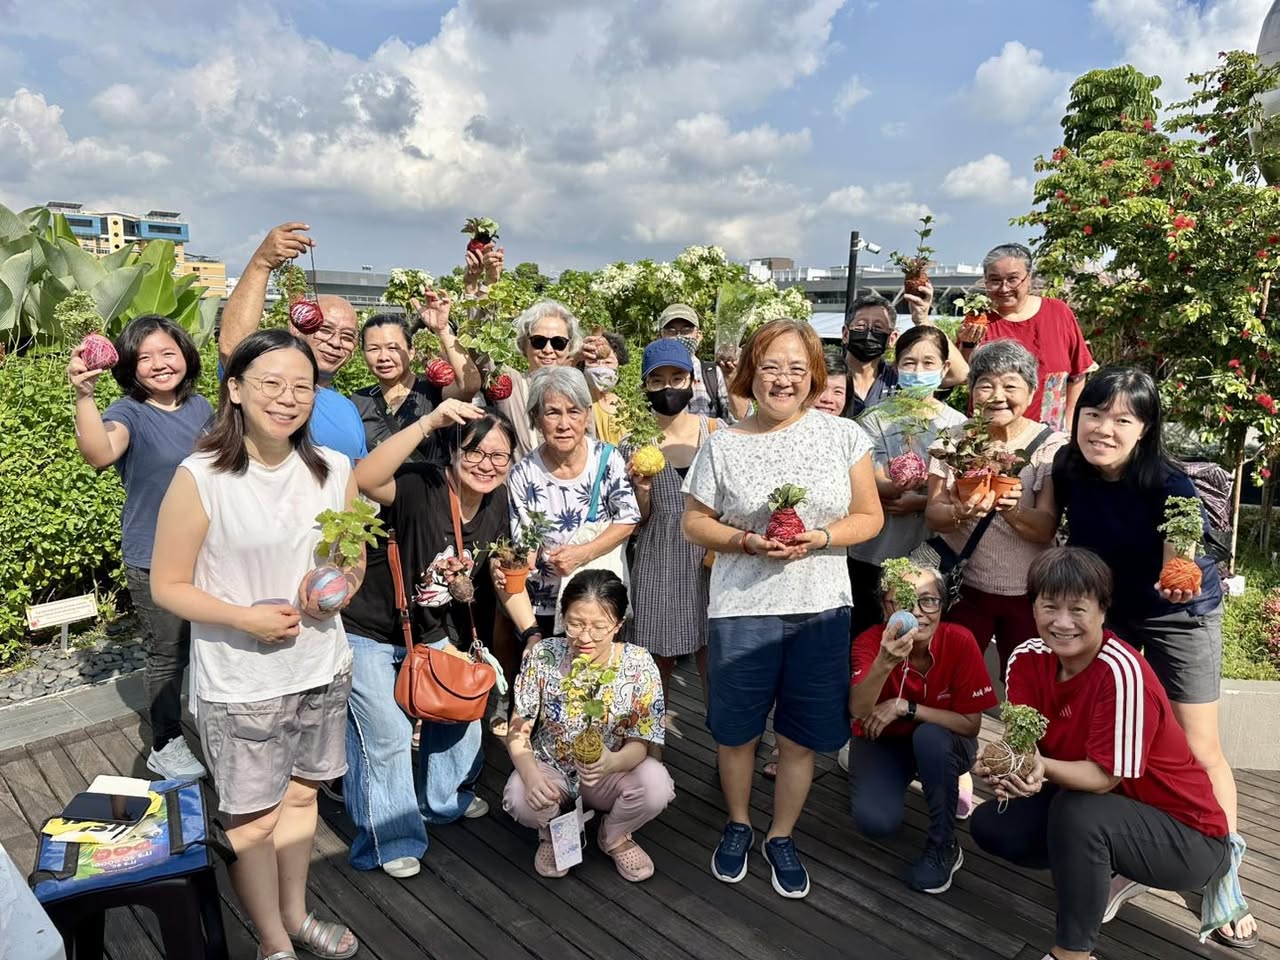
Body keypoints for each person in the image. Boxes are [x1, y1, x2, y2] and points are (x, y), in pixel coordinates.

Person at [1017, 367, 1255, 947]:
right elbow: (1049, 527)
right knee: (1121, 741)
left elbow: (1181, 552)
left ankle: (1227, 881)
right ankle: (1126, 857)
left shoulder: (1169, 483)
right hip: (1107, 612)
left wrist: (1179, 575)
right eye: (1094, 414)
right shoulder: (1070, 466)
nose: (1103, 428)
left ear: (1145, 429)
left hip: (1178, 611)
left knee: (1197, 745)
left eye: (1122, 419)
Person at [150, 329, 362, 960]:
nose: (287, 397)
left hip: (322, 665)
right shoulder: (203, 476)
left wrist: (342, 584)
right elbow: (168, 585)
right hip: (243, 683)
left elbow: (352, 556)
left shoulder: (334, 469)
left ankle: (294, 915)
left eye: (302, 386)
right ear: (236, 389)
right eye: (271, 383)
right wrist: (246, 619)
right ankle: (274, 943)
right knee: (252, 823)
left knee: (302, 798)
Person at [682, 318, 883, 899]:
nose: (783, 379)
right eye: (771, 366)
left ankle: (782, 834)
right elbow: (693, 521)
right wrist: (744, 540)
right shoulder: (722, 443)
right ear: (751, 370)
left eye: (798, 368)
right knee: (737, 732)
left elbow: (869, 517)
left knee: (799, 737)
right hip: (742, 608)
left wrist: (819, 538)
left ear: (815, 375)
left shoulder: (842, 436)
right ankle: (740, 822)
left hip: (820, 608)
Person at [971, 547, 1230, 960]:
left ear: (1103, 611)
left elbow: (1104, 778)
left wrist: (1039, 766)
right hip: (1111, 806)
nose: (1062, 622)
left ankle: (1072, 952)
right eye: (1049, 606)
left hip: (1187, 834)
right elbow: (1025, 745)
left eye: (1078, 609)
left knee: (1078, 813)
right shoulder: (1025, 659)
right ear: (1033, 606)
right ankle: (1102, 863)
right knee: (993, 825)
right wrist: (1005, 766)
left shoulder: (1121, 671)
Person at [343, 401, 535, 879]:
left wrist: (530, 632)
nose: (486, 465)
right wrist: (428, 422)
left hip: (434, 632)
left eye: (499, 456)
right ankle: (390, 838)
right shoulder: (420, 484)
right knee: (385, 732)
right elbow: (366, 477)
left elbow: (506, 578)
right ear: (453, 451)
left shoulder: (498, 505)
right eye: (475, 452)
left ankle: (442, 801)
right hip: (371, 626)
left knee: (464, 703)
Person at [68, 315, 213, 781]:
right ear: (130, 366)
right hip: (156, 554)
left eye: (167, 353)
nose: (158, 365)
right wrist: (83, 396)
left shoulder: (201, 407)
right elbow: (99, 452)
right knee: (168, 652)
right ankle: (166, 742)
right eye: (144, 357)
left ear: (185, 355)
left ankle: (212, 727)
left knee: (211, 646)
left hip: (209, 549)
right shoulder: (128, 411)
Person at [503, 570, 674, 881]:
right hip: (552, 767)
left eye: (599, 627)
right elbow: (519, 727)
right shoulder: (544, 655)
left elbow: (642, 739)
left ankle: (614, 835)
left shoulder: (639, 663)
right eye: (575, 624)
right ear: (562, 615)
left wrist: (613, 761)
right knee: (519, 795)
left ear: (619, 625)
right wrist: (529, 774)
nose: (584, 637)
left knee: (656, 785)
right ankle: (552, 828)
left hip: (609, 774)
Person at [848, 561, 995, 893]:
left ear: (942, 605)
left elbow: (971, 725)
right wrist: (885, 662)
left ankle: (943, 845)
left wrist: (906, 708)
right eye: (901, 600)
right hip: (884, 741)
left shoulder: (959, 640)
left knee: (930, 739)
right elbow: (858, 711)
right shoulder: (870, 643)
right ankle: (891, 774)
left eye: (929, 600)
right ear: (885, 607)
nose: (917, 611)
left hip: (941, 740)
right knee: (875, 821)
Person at [923, 339, 1066, 677]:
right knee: (952, 676)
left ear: (1031, 392)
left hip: (1029, 593)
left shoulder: (1051, 447)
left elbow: (1045, 526)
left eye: (1010, 385)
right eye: (986, 385)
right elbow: (933, 513)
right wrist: (963, 511)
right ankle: (953, 731)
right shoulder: (953, 440)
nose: (998, 395)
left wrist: (1011, 509)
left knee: (1028, 682)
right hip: (966, 587)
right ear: (972, 392)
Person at [849, 326, 967, 636]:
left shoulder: (958, 426)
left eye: (928, 363)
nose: (918, 371)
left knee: (922, 636)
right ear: (896, 365)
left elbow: (960, 492)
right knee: (870, 634)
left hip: (930, 554)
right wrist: (899, 483)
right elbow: (873, 479)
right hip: (874, 553)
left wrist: (920, 500)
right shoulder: (874, 418)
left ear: (944, 369)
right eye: (909, 363)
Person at [505, 367, 641, 631]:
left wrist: (581, 553)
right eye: (553, 412)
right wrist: (516, 562)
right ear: (536, 417)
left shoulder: (607, 458)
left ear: (587, 414)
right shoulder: (523, 473)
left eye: (574, 411)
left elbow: (628, 518)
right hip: (544, 603)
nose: (564, 424)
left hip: (598, 601)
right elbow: (526, 543)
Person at [219, 222, 367, 463]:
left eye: (348, 336)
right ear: (297, 327)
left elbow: (361, 479)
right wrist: (261, 264)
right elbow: (233, 347)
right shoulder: (267, 387)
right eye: (325, 329)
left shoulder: (347, 408)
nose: (335, 342)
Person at [624, 340, 717, 719]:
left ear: (692, 380)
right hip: (657, 557)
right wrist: (642, 491)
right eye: (657, 380)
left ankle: (726, 749)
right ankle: (651, 748)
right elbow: (636, 519)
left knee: (714, 658)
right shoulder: (633, 443)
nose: (668, 388)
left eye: (677, 378)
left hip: (710, 558)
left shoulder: (716, 433)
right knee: (654, 661)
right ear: (645, 386)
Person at [959, 243, 1094, 432]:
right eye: (995, 280)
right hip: (991, 435)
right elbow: (966, 376)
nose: (1004, 288)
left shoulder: (1058, 312)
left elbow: (1078, 373)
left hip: (1050, 433)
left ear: (1028, 278)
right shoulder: (978, 319)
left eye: (1013, 279)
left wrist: (1070, 423)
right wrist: (967, 344)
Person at [351, 303, 481, 461]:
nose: (383, 357)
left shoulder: (434, 390)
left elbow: (470, 385)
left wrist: (443, 330)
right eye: (373, 349)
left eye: (393, 348)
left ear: (411, 352)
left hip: (432, 484)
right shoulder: (359, 401)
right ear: (363, 354)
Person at [841, 287, 968, 419]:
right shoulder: (827, 376)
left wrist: (923, 320)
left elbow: (961, 374)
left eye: (878, 328)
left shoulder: (902, 378)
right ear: (845, 333)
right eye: (861, 326)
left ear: (892, 338)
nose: (868, 334)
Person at [489, 300, 585, 459]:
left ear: (570, 347)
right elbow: (482, 353)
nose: (548, 350)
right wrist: (481, 288)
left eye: (558, 343)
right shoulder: (511, 383)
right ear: (524, 344)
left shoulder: (579, 389)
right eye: (538, 341)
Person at [656, 303, 748, 421]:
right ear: (659, 337)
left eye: (686, 330)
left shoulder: (715, 373)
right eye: (671, 331)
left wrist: (730, 377)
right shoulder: (653, 377)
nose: (679, 336)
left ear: (698, 336)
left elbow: (741, 418)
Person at [585, 332, 629, 445]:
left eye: (608, 362)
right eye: (593, 362)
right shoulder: (579, 404)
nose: (601, 368)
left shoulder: (627, 409)